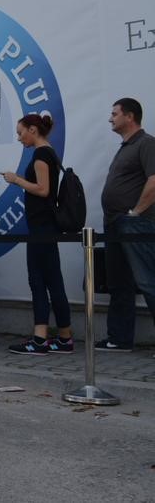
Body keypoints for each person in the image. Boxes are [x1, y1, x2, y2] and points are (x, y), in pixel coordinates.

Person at [1, 115, 74, 355]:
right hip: (44, 226)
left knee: (39, 281)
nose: (19, 137)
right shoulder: (48, 152)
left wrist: (16, 180)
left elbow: (44, 190)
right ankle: (64, 338)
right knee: (53, 280)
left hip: (42, 227)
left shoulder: (42, 154)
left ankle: (40, 339)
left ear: (33, 130)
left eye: (21, 132)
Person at [97, 97, 155, 352]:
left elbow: (154, 182)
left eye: (115, 113)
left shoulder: (146, 143)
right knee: (119, 283)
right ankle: (119, 339)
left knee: (148, 282)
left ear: (129, 116)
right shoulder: (125, 147)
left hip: (135, 225)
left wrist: (135, 213)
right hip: (114, 224)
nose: (111, 118)